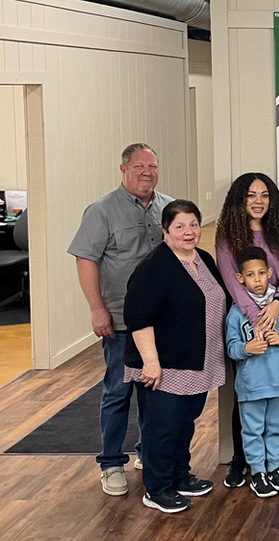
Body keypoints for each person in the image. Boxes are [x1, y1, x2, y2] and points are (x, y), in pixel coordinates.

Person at [68, 143, 173, 496]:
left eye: (153, 166)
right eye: (141, 166)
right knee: (117, 391)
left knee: (152, 389)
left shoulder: (167, 207)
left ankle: (146, 451)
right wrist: (97, 309)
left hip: (160, 321)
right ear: (124, 169)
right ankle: (111, 463)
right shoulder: (101, 211)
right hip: (120, 320)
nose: (148, 173)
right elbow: (86, 259)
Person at [123, 200, 228, 514]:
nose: (188, 232)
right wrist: (150, 363)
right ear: (165, 230)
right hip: (164, 366)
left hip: (197, 362)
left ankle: (180, 476)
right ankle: (157, 488)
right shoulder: (155, 267)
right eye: (180, 226)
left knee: (185, 424)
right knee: (163, 428)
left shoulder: (203, 259)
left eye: (193, 224)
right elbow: (138, 317)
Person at [215, 172, 279, 489]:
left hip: (277, 311)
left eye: (264, 195)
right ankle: (244, 462)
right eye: (251, 195)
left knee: (273, 405)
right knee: (247, 399)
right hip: (246, 320)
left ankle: (271, 465)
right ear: (240, 199)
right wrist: (255, 316)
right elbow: (230, 282)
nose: (258, 201)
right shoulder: (228, 237)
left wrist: (277, 304)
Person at [225, 246, 279, 498]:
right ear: (240, 278)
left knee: (276, 428)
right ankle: (257, 471)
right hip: (251, 386)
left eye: (261, 273)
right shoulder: (237, 312)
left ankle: (274, 467)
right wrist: (247, 347)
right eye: (250, 275)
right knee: (252, 430)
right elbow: (231, 348)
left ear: (270, 273)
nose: (257, 279)